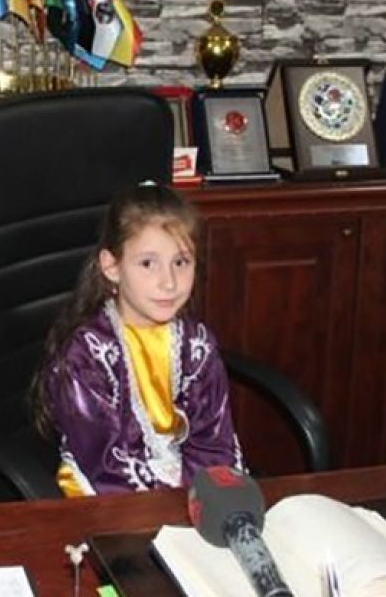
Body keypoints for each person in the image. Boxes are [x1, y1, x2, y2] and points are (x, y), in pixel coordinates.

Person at [32, 183, 242, 496]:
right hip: (107, 495)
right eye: (147, 263)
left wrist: (203, 499)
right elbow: (106, 468)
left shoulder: (196, 345)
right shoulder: (85, 355)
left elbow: (213, 444)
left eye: (181, 262)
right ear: (111, 267)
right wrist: (171, 506)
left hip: (180, 489)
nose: (169, 282)